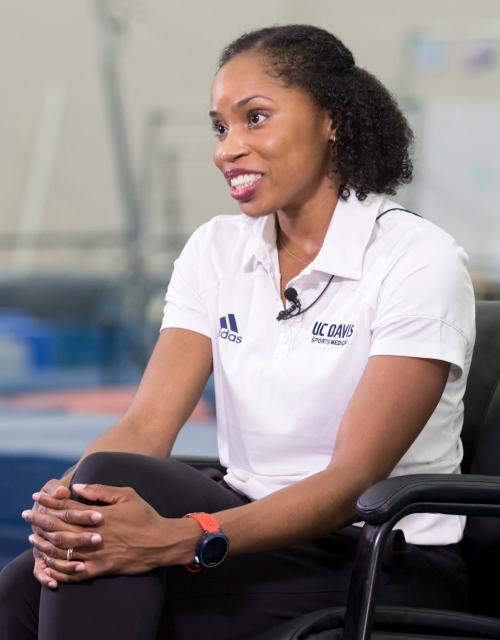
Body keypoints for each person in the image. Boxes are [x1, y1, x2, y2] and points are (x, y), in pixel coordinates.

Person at [0, 24, 475, 640]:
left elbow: (349, 484)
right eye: (220, 127)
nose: (229, 148)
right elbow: (146, 426)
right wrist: (63, 507)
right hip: (245, 524)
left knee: (93, 558)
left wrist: (181, 539)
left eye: (256, 118)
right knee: (28, 584)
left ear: (332, 120)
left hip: (375, 551)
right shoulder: (215, 249)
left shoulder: (417, 259)